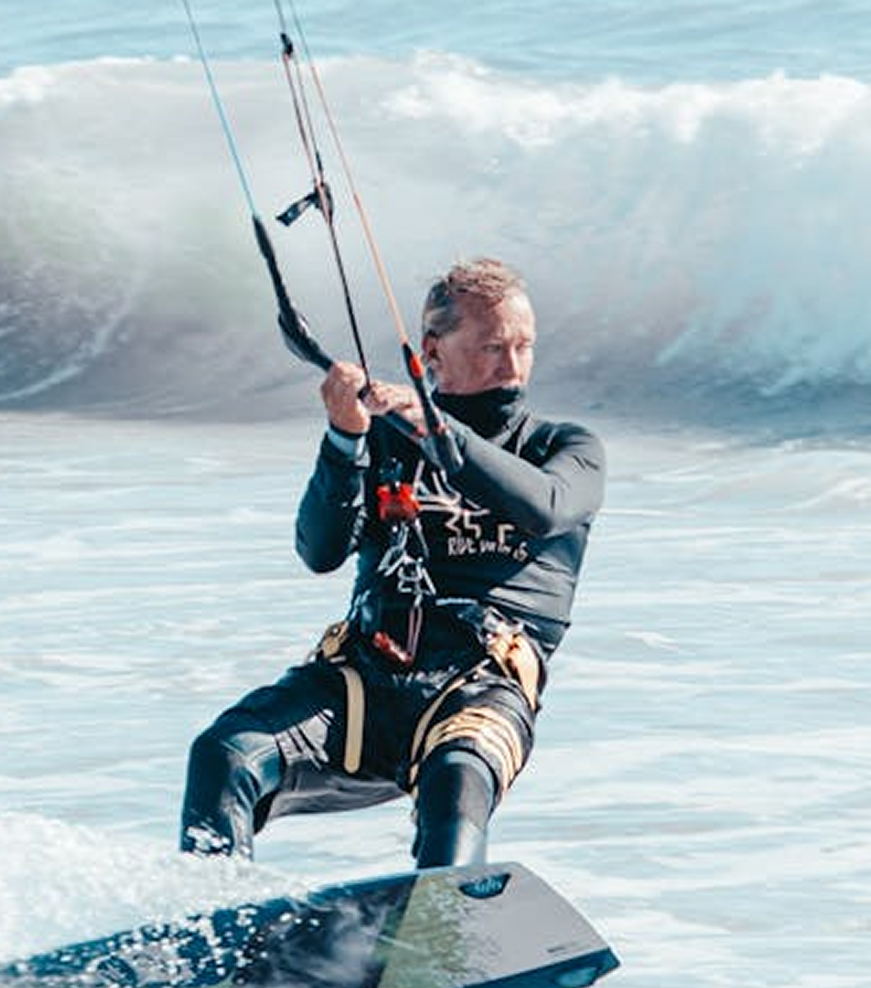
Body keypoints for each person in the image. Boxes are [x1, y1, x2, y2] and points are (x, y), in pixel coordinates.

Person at [180, 257, 606, 868]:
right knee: (225, 752)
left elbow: (544, 508)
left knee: (457, 779)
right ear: (433, 351)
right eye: (491, 347)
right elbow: (321, 551)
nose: (512, 367)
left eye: (524, 346)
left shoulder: (565, 448)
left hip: (480, 686)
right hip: (364, 680)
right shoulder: (383, 440)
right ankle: (208, 933)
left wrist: (431, 427)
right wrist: (345, 438)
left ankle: (443, 937)